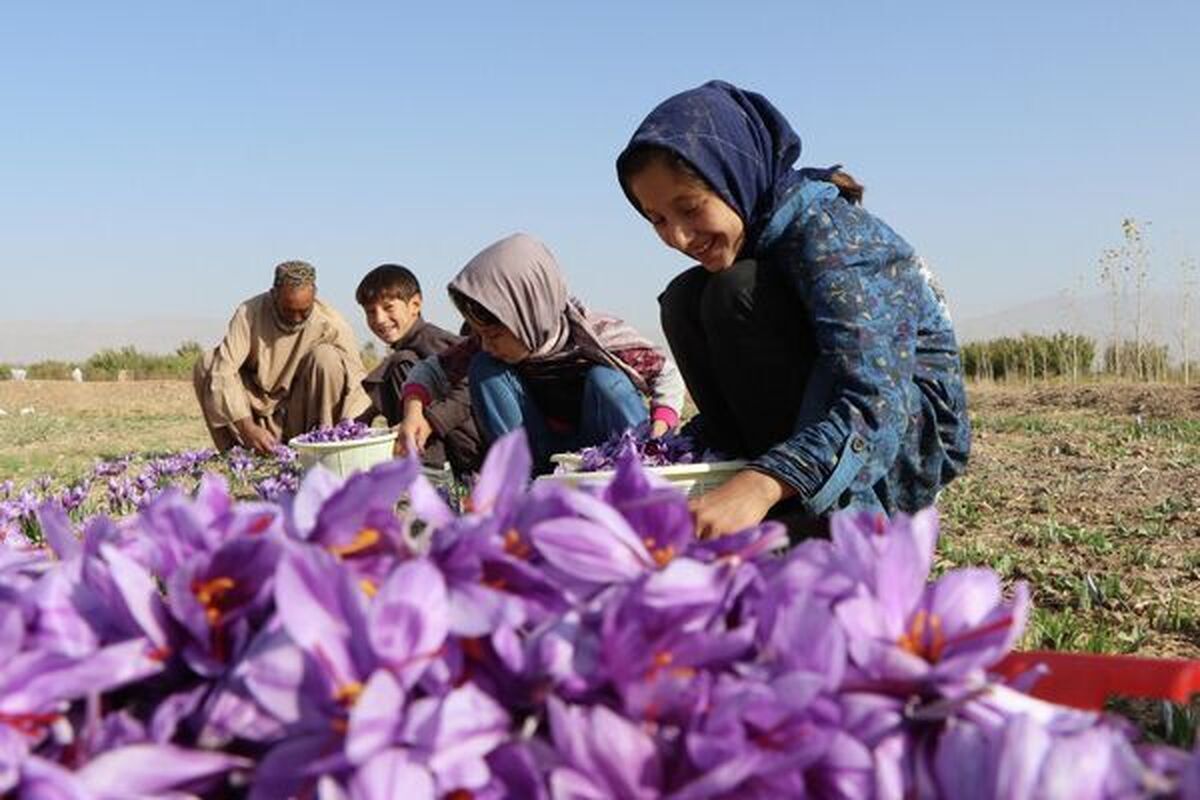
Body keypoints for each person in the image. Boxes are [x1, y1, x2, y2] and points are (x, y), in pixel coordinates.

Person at [615, 80, 971, 539]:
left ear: (732, 175)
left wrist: (760, 487)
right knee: (685, 298)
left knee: (734, 291)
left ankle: (821, 521)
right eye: (658, 219)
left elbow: (876, 398)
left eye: (690, 207)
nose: (679, 237)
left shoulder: (834, 236)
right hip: (825, 417)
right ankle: (755, 476)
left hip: (903, 436)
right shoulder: (760, 237)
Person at [396, 233, 685, 473]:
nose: (486, 343)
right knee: (486, 368)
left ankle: (638, 475)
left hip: (604, 445)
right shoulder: (488, 345)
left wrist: (660, 432)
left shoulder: (597, 335)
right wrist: (414, 412)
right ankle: (524, 487)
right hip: (543, 450)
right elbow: (430, 370)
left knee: (605, 380)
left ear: (528, 314)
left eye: (495, 335)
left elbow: (666, 374)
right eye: (480, 334)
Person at [193, 260, 371, 454]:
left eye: (304, 311)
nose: (296, 319)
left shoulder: (331, 323)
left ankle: (322, 445)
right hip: (254, 414)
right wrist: (247, 427)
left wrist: (349, 429)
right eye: (289, 310)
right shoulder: (249, 313)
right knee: (208, 363)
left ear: (314, 295)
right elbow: (224, 371)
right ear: (274, 294)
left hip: (301, 413)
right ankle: (234, 452)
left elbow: (357, 382)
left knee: (327, 357)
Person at [354, 263, 482, 474]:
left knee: (400, 364)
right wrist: (363, 420)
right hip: (453, 442)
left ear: (415, 304)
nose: (379, 319)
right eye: (370, 312)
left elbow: (470, 387)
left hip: (469, 448)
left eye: (388, 308)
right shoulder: (409, 346)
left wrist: (430, 421)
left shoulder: (432, 340)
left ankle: (424, 471)